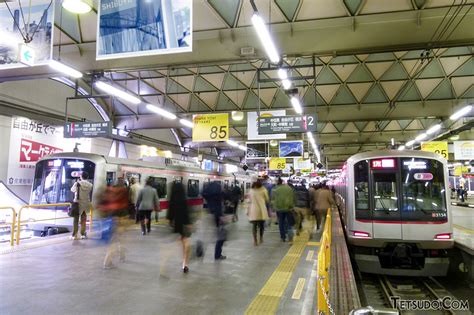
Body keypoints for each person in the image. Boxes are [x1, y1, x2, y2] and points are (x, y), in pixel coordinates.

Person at [98, 184, 130, 269]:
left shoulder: (111, 196)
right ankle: (107, 262)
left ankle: (121, 255)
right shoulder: (121, 203)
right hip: (117, 221)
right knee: (115, 242)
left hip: (109, 219)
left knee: (116, 240)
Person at [167, 182, 192, 273]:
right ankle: (185, 264)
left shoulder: (172, 200)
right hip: (184, 222)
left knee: (181, 240)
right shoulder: (184, 199)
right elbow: (186, 212)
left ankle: (181, 260)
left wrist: (170, 220)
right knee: (186, 242)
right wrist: (189, 223)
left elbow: (170, 213)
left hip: (177, 222)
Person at [202, 180, 227, 260]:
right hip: (218, 215)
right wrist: (222, 217)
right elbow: (220, 206)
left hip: (209, 213)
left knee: (207, 234)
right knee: (221, 236)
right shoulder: (218, 195)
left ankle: (199, 249)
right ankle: (217, 255)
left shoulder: (207, 193)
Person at [70, 172, 93, 240]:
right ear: (87, 177)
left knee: (76, 220)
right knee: (83, 219)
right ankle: (83, 234)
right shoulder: (90, 185)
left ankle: (74, 235)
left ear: (81, 177)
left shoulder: (77, 183)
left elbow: (72, 190)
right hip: (86, 203)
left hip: (78, 203)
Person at [271, 177, 295, 242]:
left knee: (281, 223)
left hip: (279, 209)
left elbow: (273, 199)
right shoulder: (289, 188)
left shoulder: (275, 189)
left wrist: (273, 208)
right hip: (288, 208)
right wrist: (292, 206)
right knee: (289, 222)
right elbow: (293, 198)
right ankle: (290, 236)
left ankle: (283, 237)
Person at [247, 179, 269, 246]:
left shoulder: (250, 191)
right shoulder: (263, 190)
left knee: (254, 226)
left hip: (253, 210)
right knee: (261, 226)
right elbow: (267, 199)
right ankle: (261, 238)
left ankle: (255, 241)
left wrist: (247, 209)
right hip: (261, 210)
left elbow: (248, 200)